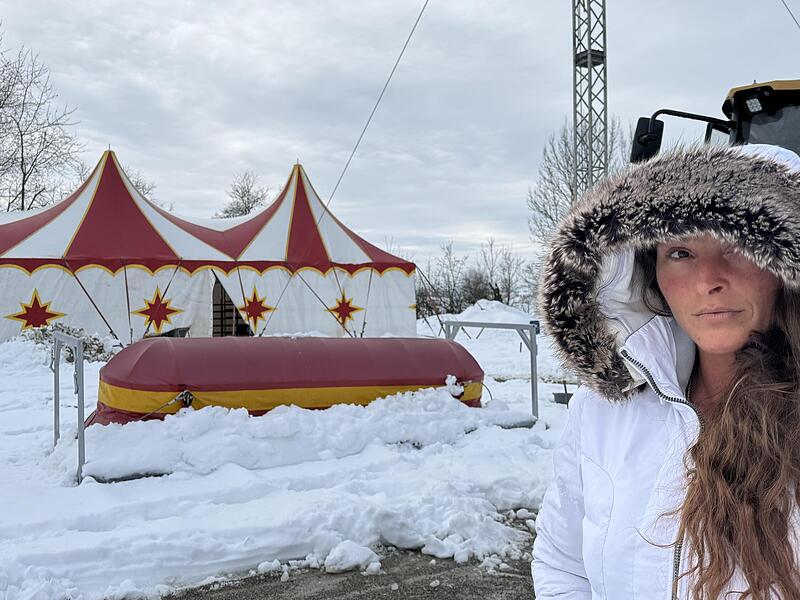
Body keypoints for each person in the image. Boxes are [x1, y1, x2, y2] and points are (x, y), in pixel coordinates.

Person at [531, 144, 800, 599]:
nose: (707, 280)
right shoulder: (603, 410)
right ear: (649, 271)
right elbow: (562, 564)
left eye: (737, 246)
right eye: (680, 252)